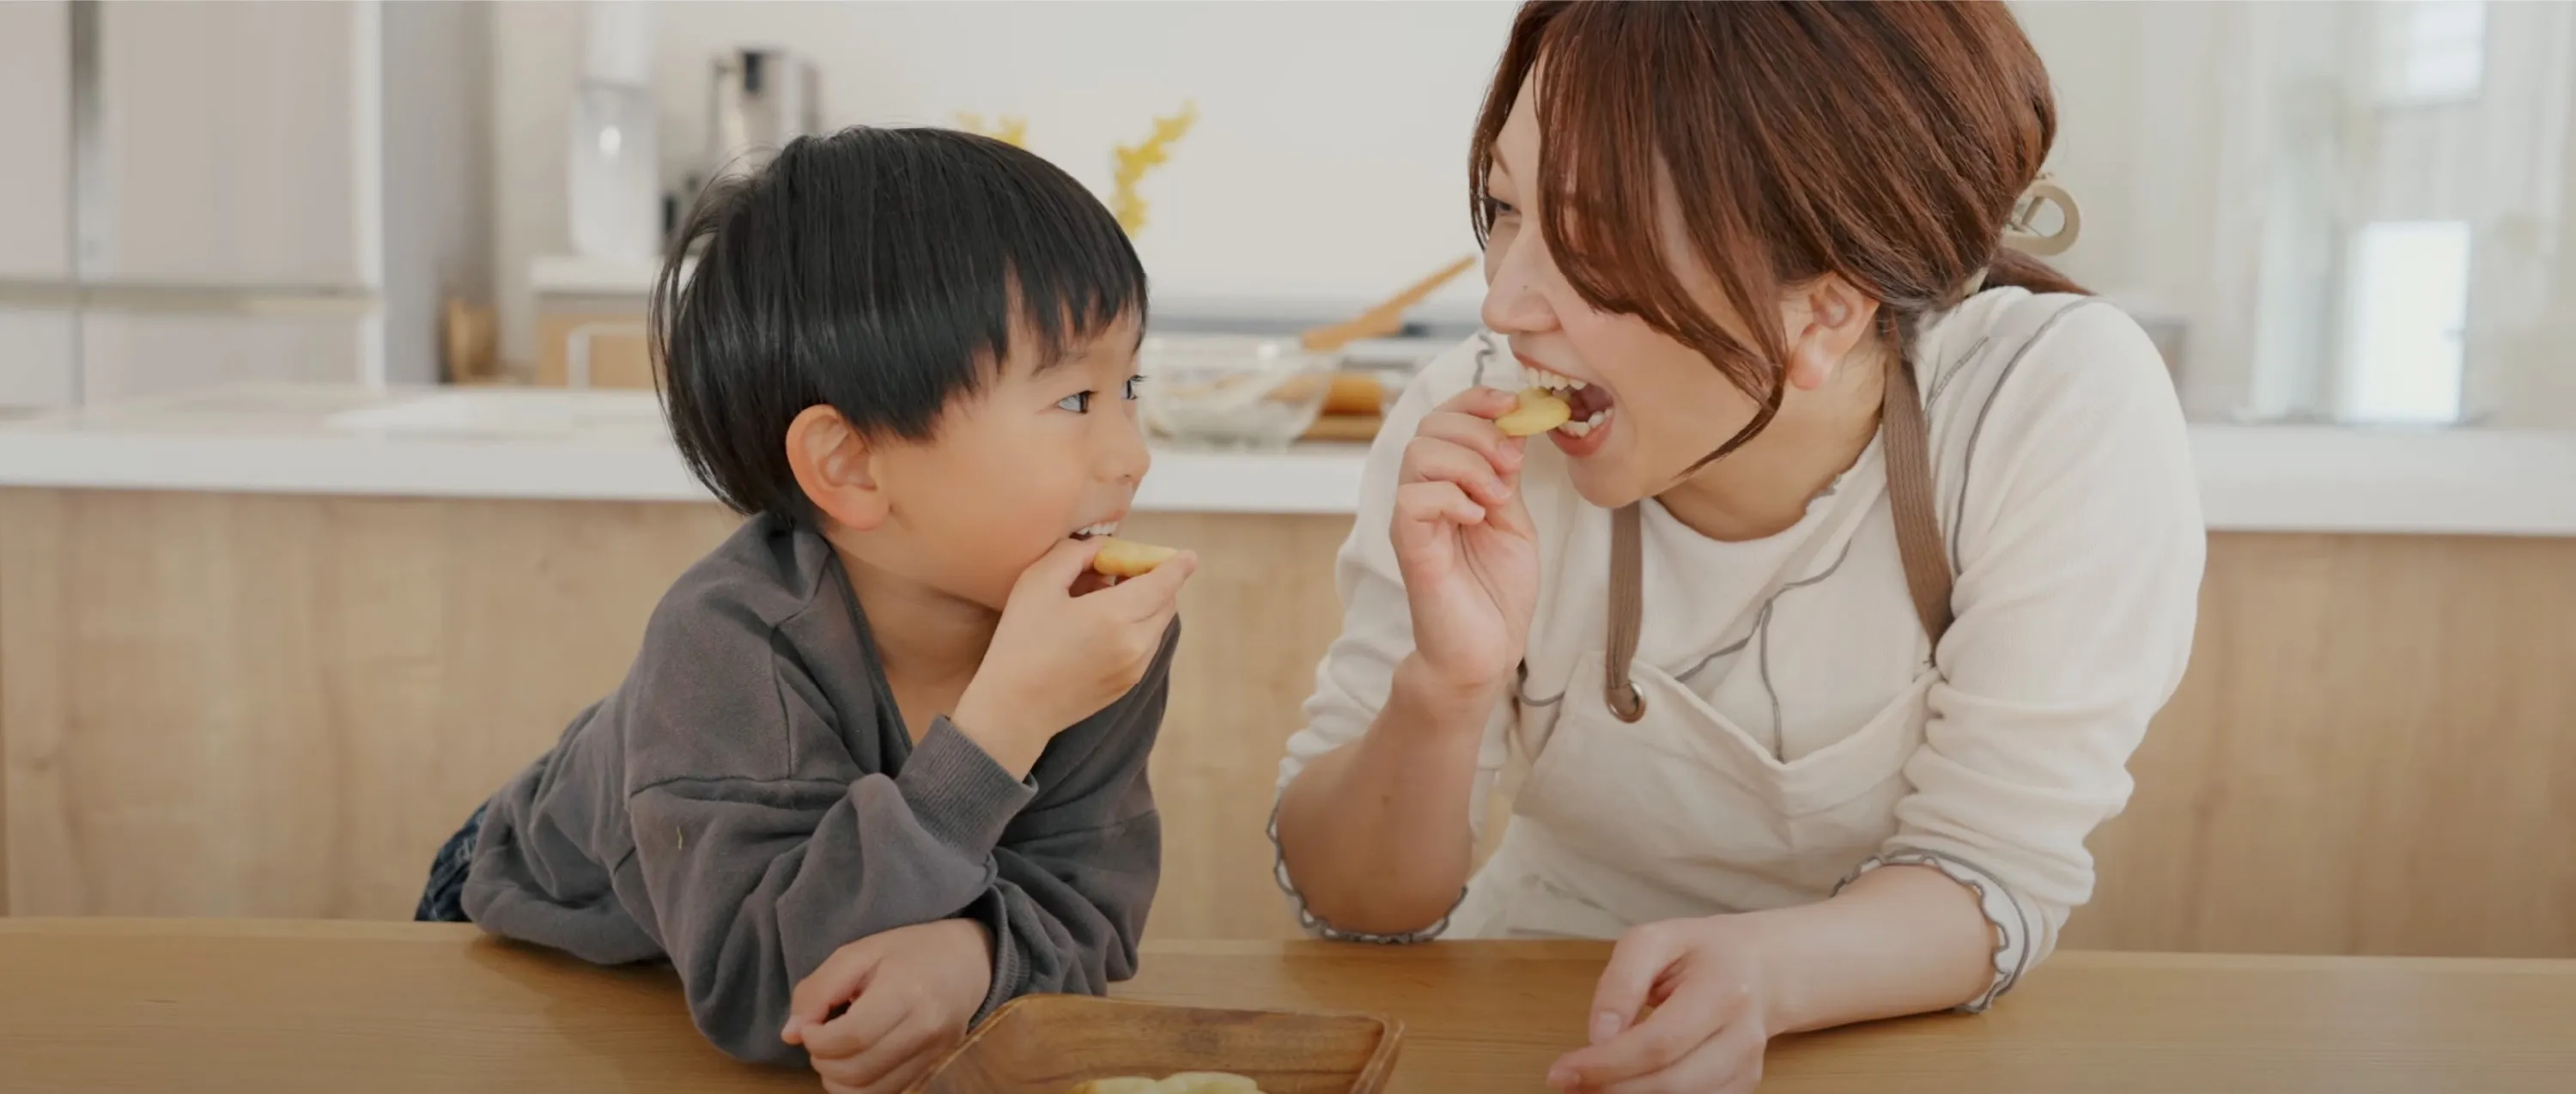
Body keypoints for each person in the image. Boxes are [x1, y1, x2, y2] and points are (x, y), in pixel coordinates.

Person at [1271, 3, 2205, 1092]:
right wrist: (1447, 685)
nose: (1506, 300)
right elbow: (1353, 907)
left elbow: (1989, 868)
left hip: (1891, 1022)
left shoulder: (2045, 403)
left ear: (1827, 309)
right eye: (1505, 210)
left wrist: (1765, 973)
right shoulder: (1468, 426)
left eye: (1590, 240)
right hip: (1540, 1005)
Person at [413, 126, 1198, 1094]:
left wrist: (973, 959)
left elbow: (1091, 907)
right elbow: (768, 987)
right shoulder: (729, 641)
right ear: (851, 465)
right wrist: (1003, 724)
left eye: (1131, 385)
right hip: (545, 933)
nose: (1132, 454)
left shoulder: (1094, 628)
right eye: (1077, 400)